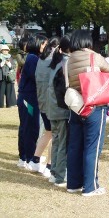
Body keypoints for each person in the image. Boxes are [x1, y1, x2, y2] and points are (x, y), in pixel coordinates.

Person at [66, 30, 109, 196]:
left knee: (75, 146)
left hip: (76, 107)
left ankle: (73, 183)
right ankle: (90, 186)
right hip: (94, 105)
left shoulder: (69, 60)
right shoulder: (95, 57)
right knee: (92, 147)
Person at [27, 37, 60, 177]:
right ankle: (49, 166)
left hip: (42, 102)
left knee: (48, 132)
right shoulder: (54, 60)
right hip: (52, 103)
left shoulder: (41, 59)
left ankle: (35, 160)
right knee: (55, 135)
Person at [16, 35, 48, 168]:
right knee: (30, 128)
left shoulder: (32, 57)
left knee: (26, 127)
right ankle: (29, 158)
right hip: (28, 99)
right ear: (38, 44)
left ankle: (24, 157)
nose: (45, 47)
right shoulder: (33, 58)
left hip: (28, 97)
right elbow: (37, 77)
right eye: (43, 44)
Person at [47, 35, 71, 186]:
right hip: (62, 110)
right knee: (63, 143)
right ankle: (60, 176)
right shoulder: (67, 62)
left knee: (56, 141)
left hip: (52, 108)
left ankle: (54, 172)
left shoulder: (55, 61)